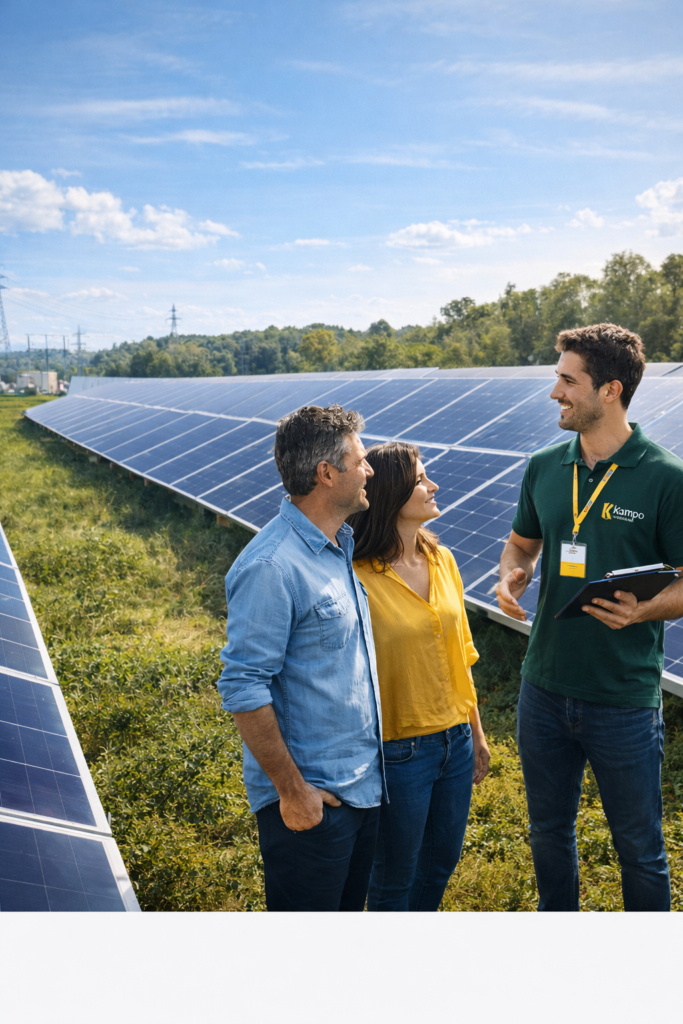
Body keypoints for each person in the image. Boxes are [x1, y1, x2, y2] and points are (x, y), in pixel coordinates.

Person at [496, 323, 683, 912]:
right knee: (548, 833)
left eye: (568, 381)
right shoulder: (544, 466)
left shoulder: (666, 478)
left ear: (610, 390)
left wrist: (645, 609)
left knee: (639, 849)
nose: (555, 392)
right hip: (543, 688)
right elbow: (521, 544)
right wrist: (512, 573)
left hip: (622, 697)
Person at [217, 404, 384, 912]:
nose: (369, 470)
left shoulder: (337, 546)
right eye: (360, 460)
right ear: (326, 474)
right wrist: (293, 792)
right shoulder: (272, 566)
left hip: (361, 789)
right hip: (313, 803)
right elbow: (243, 687)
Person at [348, 441, 491, 911]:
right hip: (398, 751)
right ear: (391, 494)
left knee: (438, 867)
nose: (434, 486)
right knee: (393, 880)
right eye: (420, 480)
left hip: (456, 740)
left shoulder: (442, 560)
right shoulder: (356, 576)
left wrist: (475, 732)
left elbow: (460, 655)